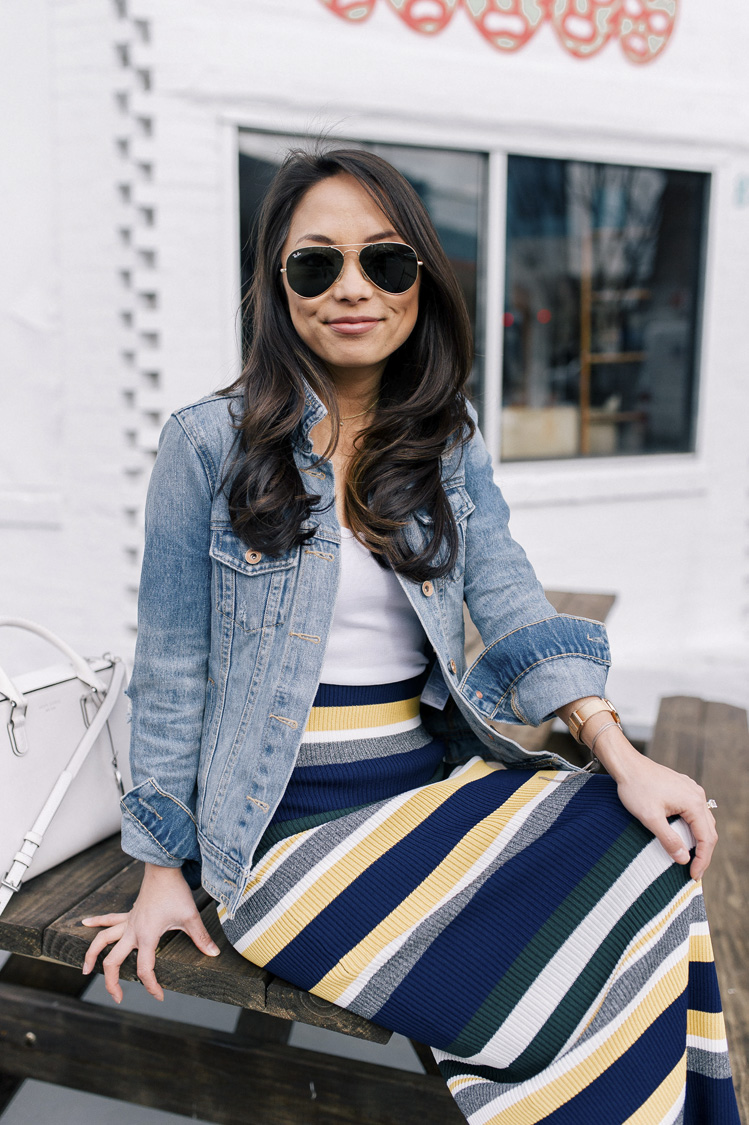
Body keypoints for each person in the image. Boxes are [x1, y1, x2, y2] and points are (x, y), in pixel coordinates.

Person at [81, 148, 739, 1123]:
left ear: (420, 282)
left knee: (648, 850)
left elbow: (509, 596)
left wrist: (617, 752)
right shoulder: (206, 443)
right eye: (316, 265)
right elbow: (171, 669)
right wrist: (160, 872)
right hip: (279, 837)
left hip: (424, 789)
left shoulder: (446, 437)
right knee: (548, 989)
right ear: (275, 283)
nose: (353, 289)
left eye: (384, 263)